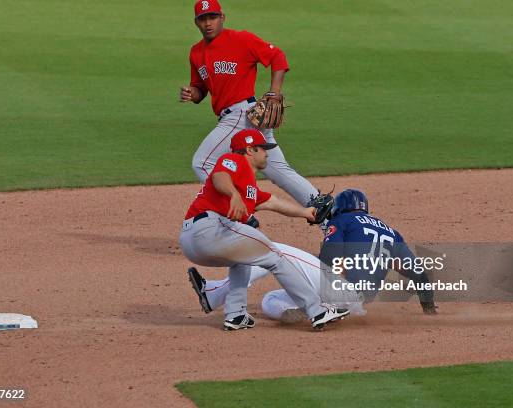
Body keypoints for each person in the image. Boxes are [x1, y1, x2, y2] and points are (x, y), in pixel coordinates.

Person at [179, 128, 349, 331]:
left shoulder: (249, 188)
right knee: (276, 257)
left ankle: (236, 314)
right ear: (250, 150)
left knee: (244, 257)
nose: (267, 153)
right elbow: (220, 176)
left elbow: (274, 202)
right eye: (263, 148)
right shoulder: (234, 160)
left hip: (196, 240)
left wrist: (306, 212)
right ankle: (317, 310)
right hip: (209, 228)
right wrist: (233, 194)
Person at [186, 189, 438, 323]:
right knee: (270, 301)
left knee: (273, 250)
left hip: (339, 289)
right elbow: (419, 274)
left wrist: (329, 287)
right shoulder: (392, 234)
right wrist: (429, 310)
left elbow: (329, 258)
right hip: (358, 304)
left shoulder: (343, 220)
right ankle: (318, 311)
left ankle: (215, 293)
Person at [180, 0, 320, 206]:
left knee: (202, 163)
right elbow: (200, 89)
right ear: (196, 23)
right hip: (242, 119)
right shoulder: (196, 53)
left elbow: (277, 56)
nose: (208, 23)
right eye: (203, 19)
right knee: (278, 169)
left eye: (213, 17)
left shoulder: (241, 39)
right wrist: (192, 93)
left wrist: (274, 93)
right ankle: (322, 206)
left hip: (241, 115)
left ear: (222, 18)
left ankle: (242, 204)